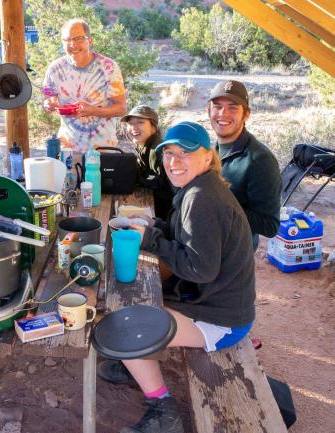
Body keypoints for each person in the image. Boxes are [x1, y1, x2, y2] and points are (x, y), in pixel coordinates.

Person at [107, 121, 256, 433]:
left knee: (123, 324)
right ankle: (134, 362)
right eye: (169, 154)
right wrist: (157, 227)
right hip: (218, 302)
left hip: (221, 320)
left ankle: (164, 410)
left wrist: (152, 240)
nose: (173, 162)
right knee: (138, 295)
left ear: (206, 156)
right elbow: (189, 238)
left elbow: (200, 268)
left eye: (184, 154)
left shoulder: (201, 199)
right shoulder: (201, 188)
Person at [208, 80, 282, 249]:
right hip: (209, 238)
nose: (223, 114)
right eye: (217, 106)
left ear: (246, 114)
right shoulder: (212, 148)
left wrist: (219, 207)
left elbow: (269, 225)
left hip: (234, 252)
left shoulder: (260, 160)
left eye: (233, 107)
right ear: (208, 110)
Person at [42, 18, 127, 155]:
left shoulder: (108, 67)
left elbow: (121, 108)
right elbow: (47, 101)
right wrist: (48, 104)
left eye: (78, 39)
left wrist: (92, 110)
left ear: (90, 40)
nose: (72, 44)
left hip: (103, 150)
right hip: (67, 150)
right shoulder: (54, 69)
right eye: (67, 40)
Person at [120, 105, 173, 218]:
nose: (133, 127)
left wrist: (139, 179)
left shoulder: (157, 150)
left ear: (153, 127)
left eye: (140, 122)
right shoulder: (143, 145)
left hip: (166, 214)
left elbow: (166, 185)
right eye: (130, 123)